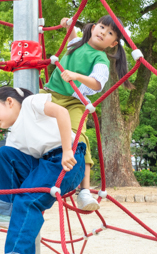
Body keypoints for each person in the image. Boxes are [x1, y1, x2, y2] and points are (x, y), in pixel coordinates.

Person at [0, 86, 86, 254]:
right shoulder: (14, 136)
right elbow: (7, 167)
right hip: (44, 164)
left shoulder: (30, 103)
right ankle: (2, 211)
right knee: (4, 154)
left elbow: (62, 112)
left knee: (27, 200)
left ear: (9, 101)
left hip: (67, 161)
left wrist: (66, 150)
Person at [42, 14, 133, 211]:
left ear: (113, 44)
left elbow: (97, 83)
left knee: (79, 138)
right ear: (92, 28)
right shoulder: (76, 43)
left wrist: (76, 76)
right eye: (101, 27)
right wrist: (68, 24)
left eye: (110, 33)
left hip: (74, 102)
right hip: (50, 94)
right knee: (27, 107)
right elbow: (71, 35)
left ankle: (84, 191)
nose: (103, 32)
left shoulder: (100, 58)